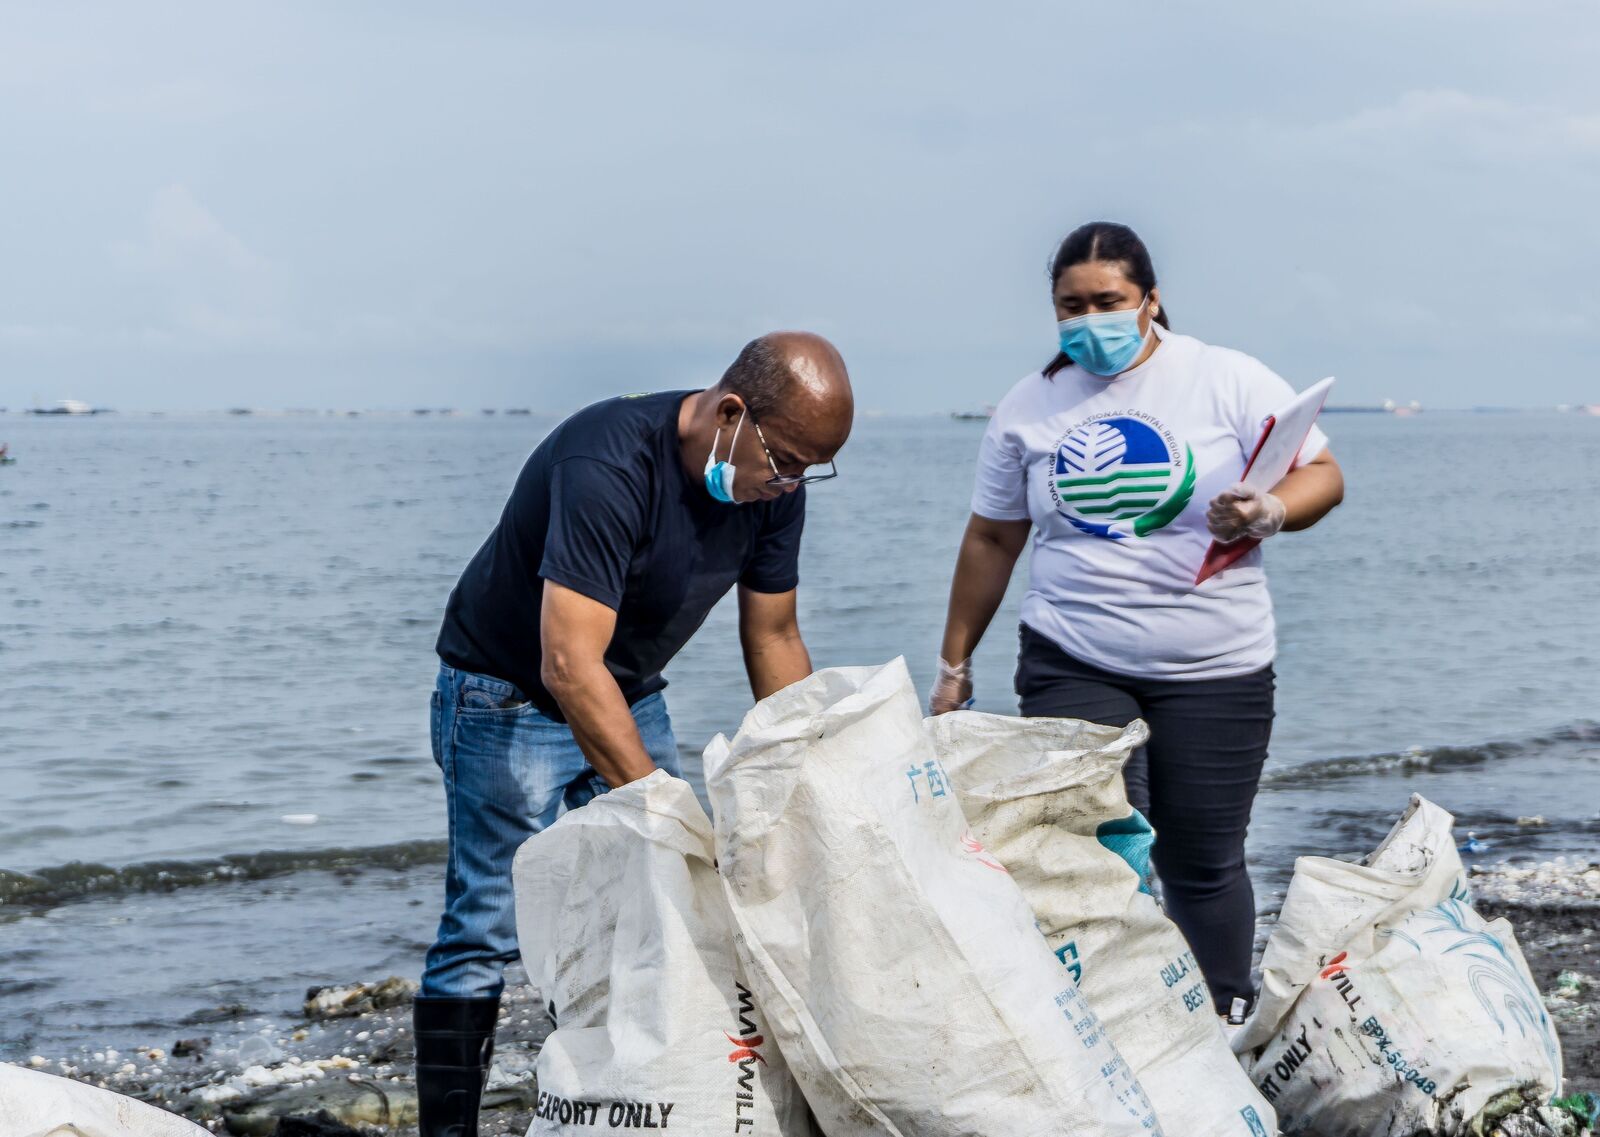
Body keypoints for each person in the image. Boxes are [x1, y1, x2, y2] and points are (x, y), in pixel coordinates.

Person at [418, 332, 853, 1137]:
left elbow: (775, 637)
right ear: (730, 413)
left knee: (650, 909)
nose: (790, 484)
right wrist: (663, 807)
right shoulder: (608, 464)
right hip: (504, 692)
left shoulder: (774, 489)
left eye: (807, 470)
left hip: (630, 687)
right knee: (482, 925)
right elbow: (566, 662)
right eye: (786, 461)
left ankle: (611, 1112)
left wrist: (809, 772)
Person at [930, 222, 1344, 1024]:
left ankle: (1222, 1019)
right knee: (1094, 849)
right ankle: (1109, 1023)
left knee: (1202, 860)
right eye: (1069, 306)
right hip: (1073, 655)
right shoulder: (1030, 405)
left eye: (1108, 301)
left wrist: (1268, 510)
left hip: (1217, 668)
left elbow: (1323, 475)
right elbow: (991, 537)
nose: (1089, 320)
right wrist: (954, 665)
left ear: (1150, 299)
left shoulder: (1224, 378)